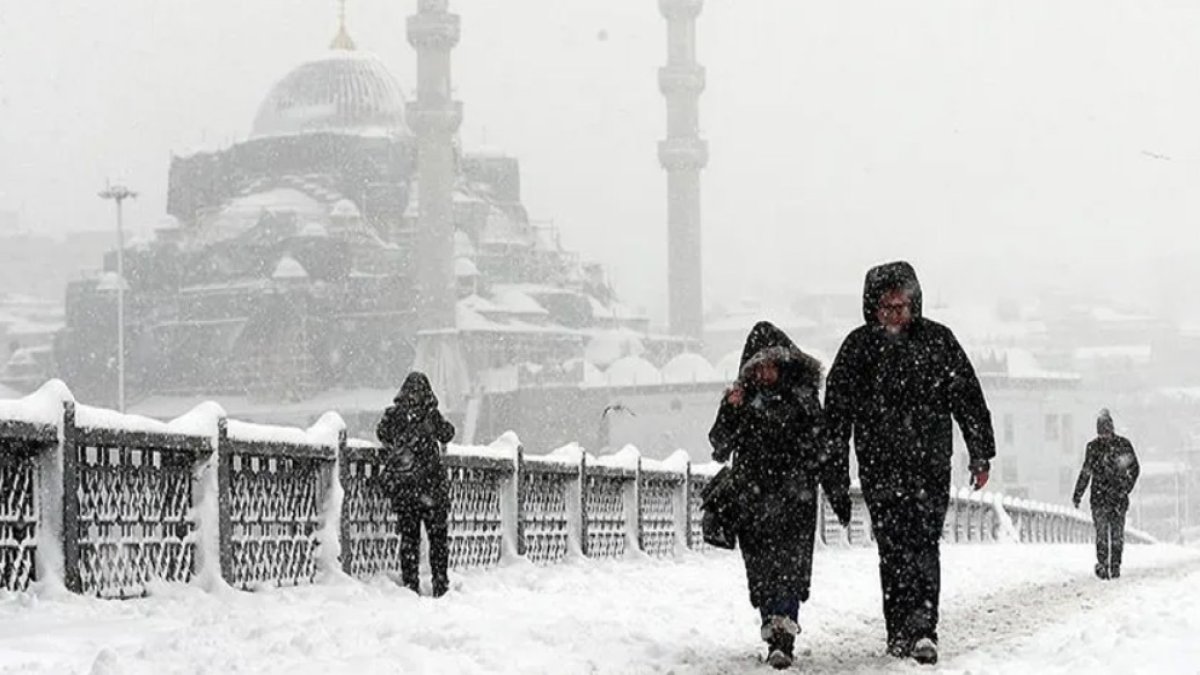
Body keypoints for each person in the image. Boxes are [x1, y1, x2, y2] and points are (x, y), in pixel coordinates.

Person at [824, 261, 995, 665]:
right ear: (873, 308)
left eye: (902, 306)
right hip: (880, 467)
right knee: (892, 548)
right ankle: (898, 629)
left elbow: (967, 398)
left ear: (914, 305)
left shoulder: (938, 342)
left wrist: (980, 452)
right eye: (887, 307)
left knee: (922, 544)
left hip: (928, 465)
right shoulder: (857, 349)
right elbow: (835, 417)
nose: (895, 315)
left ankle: (923, 628)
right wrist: (834, 474)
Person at [709, 321, 852, 670]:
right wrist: (731, 408)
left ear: (785, 363)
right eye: (758, 366)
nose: (765, 372)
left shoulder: (803, 401)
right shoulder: (742, 401)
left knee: (789, 568)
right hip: (752, 501)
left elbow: (825, 449)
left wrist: (837, 493)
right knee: (760, 570)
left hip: (795, 500)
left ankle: (782, 634)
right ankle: (772, 624)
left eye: (771, 363)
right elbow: (719, 445)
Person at [377, 372, 456, 597]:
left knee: (409, 539)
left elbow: (382, 433)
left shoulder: (394, 415)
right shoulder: (431, 416)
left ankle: (411, 584)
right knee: (438, 539)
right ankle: (440, 583)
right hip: (431, 488)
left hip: (406, 490)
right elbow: (448, 434)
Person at [1073, 408, 1140, 580]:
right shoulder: (1119, 446)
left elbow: (1087, 472)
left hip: (1107, 497)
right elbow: (1086, 472)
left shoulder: (1097, 447)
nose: (1104, 436)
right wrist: (1078, 493)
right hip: (1110, 498)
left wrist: (1125, 488)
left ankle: (1112, 564)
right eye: (1102, 432)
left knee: (1111, 533)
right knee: (1107, 533)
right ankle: (1106, 565)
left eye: (1105, 431)